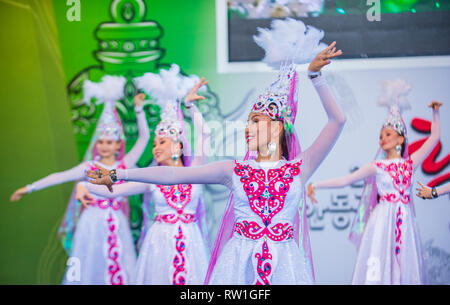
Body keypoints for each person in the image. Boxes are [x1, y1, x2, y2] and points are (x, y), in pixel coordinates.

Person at [86, 21, 346, 283]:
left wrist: (315, 77)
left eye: (256, 121)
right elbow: (175, 176)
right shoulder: (234, 170)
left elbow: (337, 121)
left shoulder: (299, 168)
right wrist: (120, 174)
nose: (248, 128)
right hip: (237, 269)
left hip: (286, 269)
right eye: (248, 122)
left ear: (278, 128)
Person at [11, 76, 150, 285]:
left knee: (118, 264)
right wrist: (29, 188)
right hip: (91, 223)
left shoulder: (124, 165)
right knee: (89, 265)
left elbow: (143, 139)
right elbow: (58, 177)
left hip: (116, 222)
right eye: (101, 141)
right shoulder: (89, 167)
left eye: (109, 142)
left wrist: (138, 110)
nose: (104, 146)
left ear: (117, 144)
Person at [78, 69, 212, 285]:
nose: (155, 147)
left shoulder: (194, 171)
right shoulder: (151, 179)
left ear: (178, 145)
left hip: (191, 243)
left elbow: (205, 134)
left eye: (162, 142)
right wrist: (86, 185)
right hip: (159, 246)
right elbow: (114, 190)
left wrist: (190, 105)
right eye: (154, 143)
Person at [308, 80, 442, 284]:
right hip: (381, 220)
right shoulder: (378, 166)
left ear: (400, 139)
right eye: (381, 136)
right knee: (379, 261)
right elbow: (347, 180)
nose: (382, 139)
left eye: (387, 135)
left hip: (404, 219)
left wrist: (435, 113)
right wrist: (316, 184)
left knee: (405, 263)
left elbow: (433, 138)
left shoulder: (409, 163)